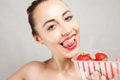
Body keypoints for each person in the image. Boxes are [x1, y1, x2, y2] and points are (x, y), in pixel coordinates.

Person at [8, 0, 120, 80]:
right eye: (51, 26)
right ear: (38, 38)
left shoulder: (97, 71)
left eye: (68, 18)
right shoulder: (31, 72)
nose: (66, 30)